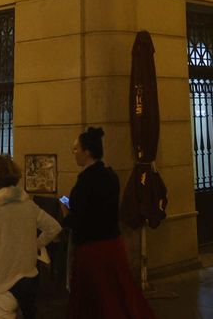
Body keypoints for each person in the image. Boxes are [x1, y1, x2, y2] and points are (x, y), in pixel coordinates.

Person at [62, 127, 154, 319]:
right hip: (113, 244)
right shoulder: (110, 175)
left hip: (91, 249)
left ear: (87, 151)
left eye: (76, 149)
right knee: (119, 293)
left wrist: (66, 214)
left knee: (97, 299)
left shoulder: (85, 181)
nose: (74, 153)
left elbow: (81, 219)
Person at [0, 153, 60, 319]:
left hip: (0, 284)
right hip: (29, 280)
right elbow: (53, 227)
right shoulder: (28, 205)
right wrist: (35, 244)